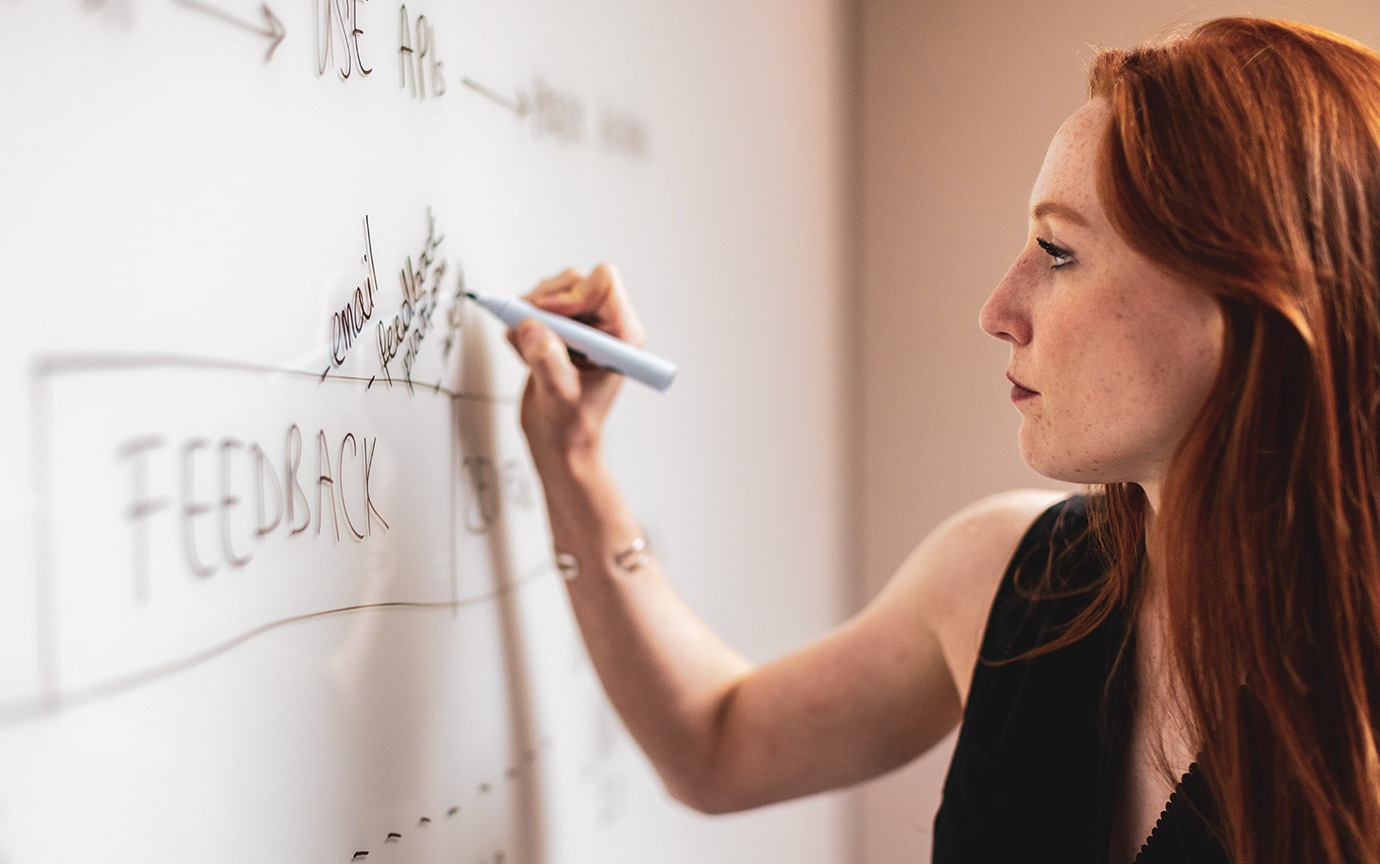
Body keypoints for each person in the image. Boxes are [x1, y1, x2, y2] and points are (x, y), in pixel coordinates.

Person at [505, 17, 1380, 864]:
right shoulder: (1011, 577)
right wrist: (575, 462)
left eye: (1057, 250)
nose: (998, 310)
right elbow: (715, 744)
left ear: (1248, 301)